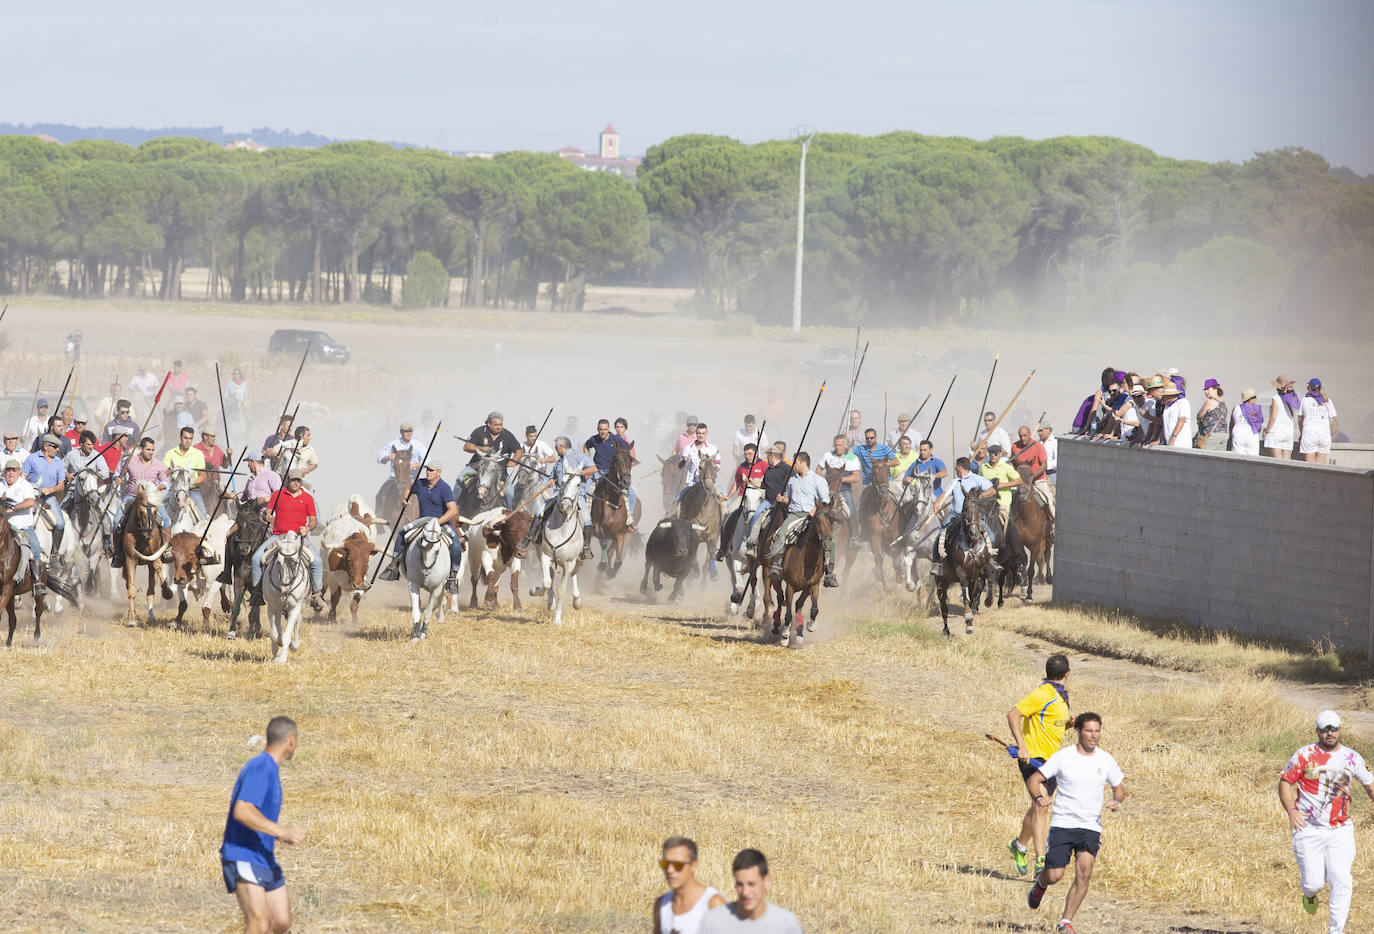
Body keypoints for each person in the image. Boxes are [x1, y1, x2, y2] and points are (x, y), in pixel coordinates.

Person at [1026, 713, 1126, 934]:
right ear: (1078, 731)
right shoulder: (1063, 757)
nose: (1094, 736)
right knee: (1055, 875)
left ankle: (1066, 922)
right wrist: (1039, 797)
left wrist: (1116, 800)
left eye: (1097, 731)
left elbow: (1119, 788)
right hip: (1063, 823)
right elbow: (1035, 780)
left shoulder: (1105, 759)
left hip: (1091, 826)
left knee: (1085, 871)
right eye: (1089, 731)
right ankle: (1041, 884)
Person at [1279, 710, 1374, 933]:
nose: (1329, 733)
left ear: (1340, 729)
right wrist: (1292, 811)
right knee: (1313, 883)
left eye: (1333, 728)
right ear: (1317, 731)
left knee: (1341, 878)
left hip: (1340, 830)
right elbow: (1284, 782)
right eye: (1324, 729)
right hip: (1308, 829)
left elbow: (1370, 785)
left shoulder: (1353, 757)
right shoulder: (1304, 755)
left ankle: (1336, 930)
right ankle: (1310, 894)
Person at [221, 715, 306, 934]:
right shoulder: (261, 767)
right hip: (243, 854)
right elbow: (242, 810)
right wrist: (282, 831)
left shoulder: (270, 769)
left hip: (264, 856)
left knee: (281, 921)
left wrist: (275, 834)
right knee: (259, 923)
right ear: (291, 741)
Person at [1006, 654, 1072, 880]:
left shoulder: (1060, 699)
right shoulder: (1043, 694)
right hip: (1033, 759)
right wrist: (1022, 747)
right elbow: (1013, 714)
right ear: (1067, 674)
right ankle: (1042, 861)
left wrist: (1068, 725)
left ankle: (1019, 845)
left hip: (1051, 763)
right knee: (1042, 806)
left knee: (1037, 808)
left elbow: (1050, 729)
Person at [379, 461, 465, 592]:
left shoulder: (444, 488)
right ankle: (393, 566)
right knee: (402, 532)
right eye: (427, 469)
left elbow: (452, 510)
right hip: (423, 519)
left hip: (441, 521)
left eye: (431, 470)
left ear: (439, 473)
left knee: (456, 545)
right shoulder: (420, 483)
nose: (428, 472)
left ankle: (453, 577)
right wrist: (405, 499)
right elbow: (409, 488)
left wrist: (438, 522)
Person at [250, 469, 324, 610]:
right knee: (256, 558)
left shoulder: (308, 498)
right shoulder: (277, 495)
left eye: (299, 480)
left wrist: (307, 529)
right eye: (293, 479)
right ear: (287, 480)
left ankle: (317, 594)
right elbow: (267, 512)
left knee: (317, 561)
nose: (296, 482)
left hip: (299, 538)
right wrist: (267, 517)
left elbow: (313, 520)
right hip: (278, 536)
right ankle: (257, 592)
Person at [771, 451, 837, 587]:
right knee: (780, 535)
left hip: (813, 516)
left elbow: (825, 500)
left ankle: (829, 573)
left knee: (830, 541)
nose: (793, 465)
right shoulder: (792, 480)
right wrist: (783, 499)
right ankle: (777, 565)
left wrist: (815, 510)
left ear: (803, 463)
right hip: (794, 515)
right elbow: (789, 498)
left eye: (795, 463)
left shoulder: (818, 480)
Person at [700, 848, 803, 934]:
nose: (745, 892)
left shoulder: (787, 925)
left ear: (767, 881)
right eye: (740, 884)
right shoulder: (713, 922)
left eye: (751, 884)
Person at [217, 451, 282, 586]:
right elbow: (245, 496)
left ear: (253, 462)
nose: (248, 466)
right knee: (229, 535)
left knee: (273, 541)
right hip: (248, 517)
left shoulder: (272, 476)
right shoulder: (251, 479)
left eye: (248, 463)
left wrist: (265, 499)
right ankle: (227, 573)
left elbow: (279, 493)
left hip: (265, 517)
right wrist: (231, 496)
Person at [111, 436, 171, 568]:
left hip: (152, 499)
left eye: (153, 450)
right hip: (132, 496)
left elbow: (165, 483)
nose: (151, 452)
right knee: (116, 522)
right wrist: (117, 479)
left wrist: (156, 488)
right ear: (141, 449)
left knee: (166, 520)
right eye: (148, 449)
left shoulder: (158, 464)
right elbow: (117, 474)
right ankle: (118, 553)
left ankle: (167, 550)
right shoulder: (129, 461)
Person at [653, 835, 725, 934]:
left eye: (678, 865)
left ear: (694, 866)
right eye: (665, 864)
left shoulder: (713, 903)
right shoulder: (661, 905)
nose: (670, 870)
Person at [0, 458, 46, 596]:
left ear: (19, 471)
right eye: (8, 470)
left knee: (36, 549)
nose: (11, 473)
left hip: (22, 527)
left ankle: (37, 582)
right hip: (2, 527)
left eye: (14, 470)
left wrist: (12, 508)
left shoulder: (25, 485)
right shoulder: (0, 485)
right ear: (5, 471)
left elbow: (30, 502)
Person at [716, 442, 769, 559]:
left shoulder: (764, 466)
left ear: (756, 454)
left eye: (750, 454)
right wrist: (729, 496)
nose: (747, 456)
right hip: (743, 496)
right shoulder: (741, 467)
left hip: (760, 497)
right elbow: (736, 482)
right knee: (727, 515)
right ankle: (723, 548)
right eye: (745, 454)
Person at [23, 434, 67, 565]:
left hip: (49, 497)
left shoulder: (58, 462)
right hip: (31, 495)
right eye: (54, 447)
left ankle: (55, 553)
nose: (57, 449)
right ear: (45, 446)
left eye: (58, 447)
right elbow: (22, 477)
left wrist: (50, 490)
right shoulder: (31, 459)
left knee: (60, 523)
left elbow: (61, 485)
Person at [584, 418, 638, 516]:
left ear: (609, 429)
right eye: (601, 429)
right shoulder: (594, 439)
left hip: (613, 472)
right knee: (584, 490)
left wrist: (626, 464)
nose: (603, 432)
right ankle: (587, 519)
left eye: (605, 429)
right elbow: (586, 446)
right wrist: (586, 458)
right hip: (597, 471)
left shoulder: (616, 439)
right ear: (598, 429)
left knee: (632, 495)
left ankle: (629, 518)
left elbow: (628, 448)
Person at [163, 425, 210, 519]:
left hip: (193, 491)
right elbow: (164, 474)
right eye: (185, 438)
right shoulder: (170, 453)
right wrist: (171, 470)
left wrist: (190, 483)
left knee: (204, 517)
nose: (188, 441)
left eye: (190, 438)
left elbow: (203, 475)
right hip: (174, 490)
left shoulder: (198, 454)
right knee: (157, 511)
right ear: (180, 438)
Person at [462, 411, 521, 485]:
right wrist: (481, 448)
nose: (499, 427)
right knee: (460, 480)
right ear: (489, 424)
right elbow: (467, 446)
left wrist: (514, 461)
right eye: (496, 425)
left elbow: (519, 450)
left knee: (510, 493)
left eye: (500, 424)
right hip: (476, 468)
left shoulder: (508, 435)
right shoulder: (479, 431)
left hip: (500, 471)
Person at [1010, 426, 1055, 521]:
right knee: (1009, 499)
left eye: (1025, 435)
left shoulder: (1038, 446)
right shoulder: (1014, 447)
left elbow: (1043, 465)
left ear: (1030, 434)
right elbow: (1012, 463)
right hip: (1020, 482)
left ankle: (1053, 524)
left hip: (1038, 480)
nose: (1022, 438)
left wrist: (1032, 476)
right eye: (1020, 436)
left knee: (1048, 500)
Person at [817, 434, 862, 518]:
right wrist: (826, 479)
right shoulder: (828, 455)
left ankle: (855, 531)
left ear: (846, 446)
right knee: (815, 510)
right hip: (826, 491)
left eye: (840, 445)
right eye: (835, 445)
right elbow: (818, 471)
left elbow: (857, 477)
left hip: (843, 491)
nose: (837, 447)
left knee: (851, 514)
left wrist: (840, 479)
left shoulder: (852, 457)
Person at [979, 444, 1021, 531]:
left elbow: (1019, 481)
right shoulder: (984, 467)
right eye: (991, 453)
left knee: (1006, 524)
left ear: (1000, 454)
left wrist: (1002, 485)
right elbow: (979, 482)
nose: (993, 456)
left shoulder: (1006, 467)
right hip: (986, 502)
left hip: (1002, 502)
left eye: (995, 453)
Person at [1299, 379, 1338, 465]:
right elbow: (1332, 420)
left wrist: (1302, 433)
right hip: (1324, 435)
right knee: (1321, 467)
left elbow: (1300, 420)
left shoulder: (1305, 400)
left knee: (1309, 467)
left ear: (1309, 388)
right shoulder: (1327, 401)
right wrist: (1327, 431)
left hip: (1309, 434)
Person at [1264, 374, 1300, 459]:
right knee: (1286, 462)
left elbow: (1273, 417)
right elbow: (1293, 418)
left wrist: (1267, 431)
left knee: (1277, 462)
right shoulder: (1293, 400)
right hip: (1288, 433)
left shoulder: (1276, 398)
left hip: (1276, 432)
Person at [679, 423, 721, 491]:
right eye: (699, 433)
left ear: (706, 434)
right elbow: (680, 466)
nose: (701, 436)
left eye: (703, 433)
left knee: (725, 497)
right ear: (696, 433)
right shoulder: (688, 448)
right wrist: (685, 460)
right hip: (691, 483)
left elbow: (718, 467)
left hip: (710, 482)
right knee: (678, 498)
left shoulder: (713, 449)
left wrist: (711, 466)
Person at [1193, 379, 1228, 451]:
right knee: (1218, 460)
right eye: (1205, 390)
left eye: (1208, 389)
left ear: (1215, 389)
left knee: (1205, 458)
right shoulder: (1223, 402)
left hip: (1212, 434)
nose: (1206, 392)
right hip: (1224, 434)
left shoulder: (1210, 402)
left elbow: (1199, 416)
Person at [1160, 382, 1192, 448]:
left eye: (1165, 395)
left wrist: (1173, 439)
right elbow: (1165, 424)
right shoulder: (1167, 406)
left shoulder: (1182, 402)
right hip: (1170, 443)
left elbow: (1182, 420)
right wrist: (1159, 440)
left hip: (1181, 444)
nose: (1163, 397)